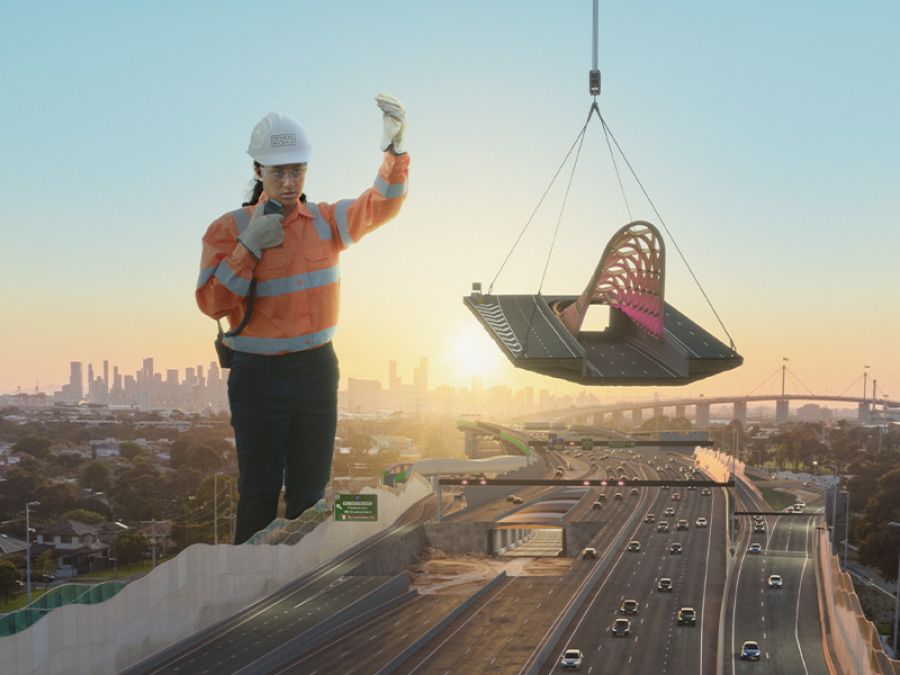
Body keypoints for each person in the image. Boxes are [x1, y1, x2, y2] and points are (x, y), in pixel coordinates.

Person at [196, 94, 409, 544]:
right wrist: (248, 247)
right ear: (258, 172)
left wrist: (393, 153)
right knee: (258, 491)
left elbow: (381, 205)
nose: (290, 181)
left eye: (297, 170)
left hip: (315, 370)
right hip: (258, 377)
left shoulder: (325, 222)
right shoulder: (228, 229)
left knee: (310, 493)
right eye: (279, 172)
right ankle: (249, 591)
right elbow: (212, 303)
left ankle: (297, 584)